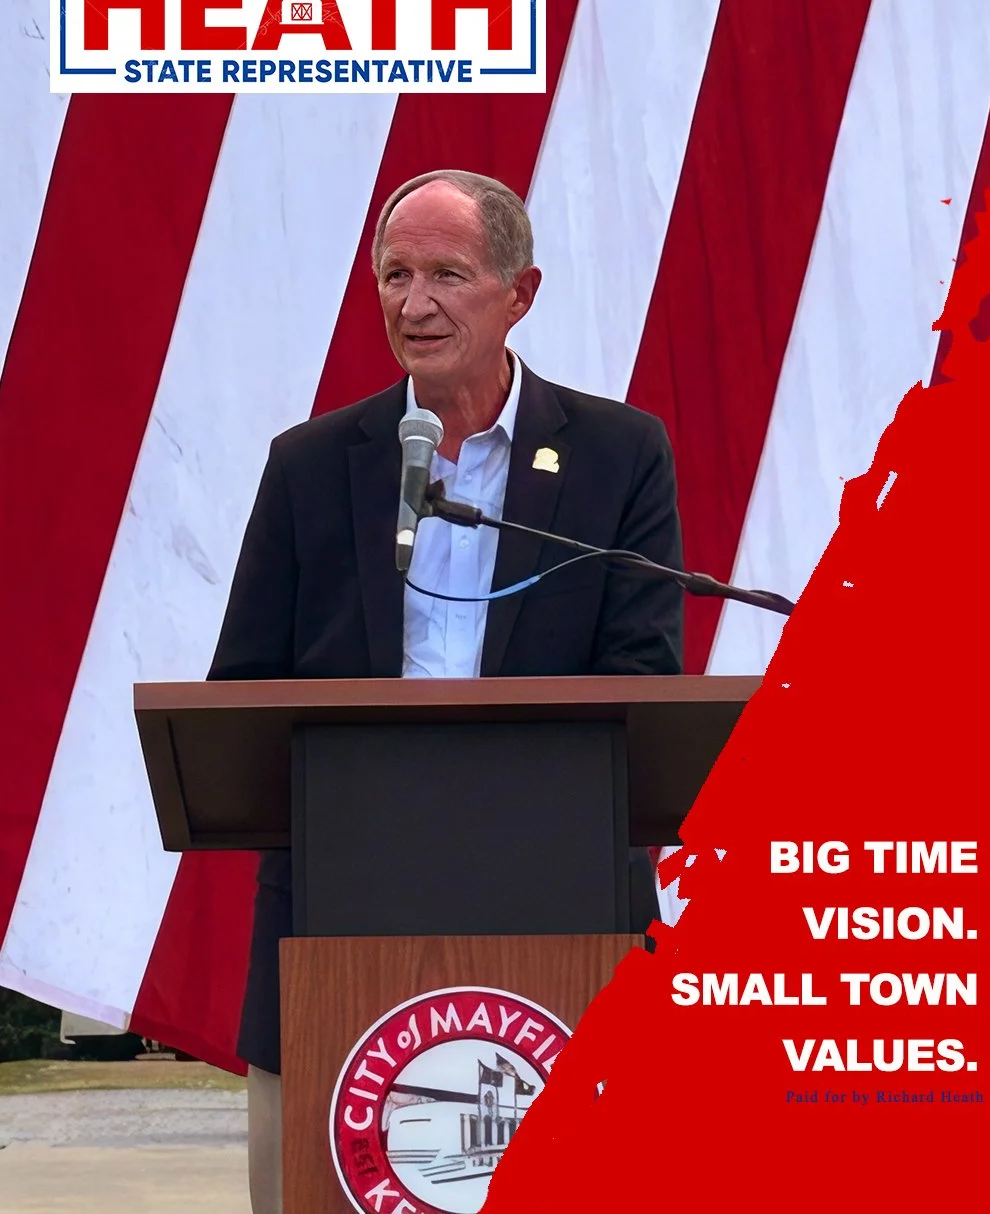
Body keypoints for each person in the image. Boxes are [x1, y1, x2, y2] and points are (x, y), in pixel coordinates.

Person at [208, 169, 684, 1214]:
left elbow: (642, 682)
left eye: (447, 275)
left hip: (558, 891)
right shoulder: (313, 465)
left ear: (522, 292)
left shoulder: (617, 455)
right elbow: (242, 688)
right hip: (340, 897)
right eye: (395, 275)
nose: (413, 304)